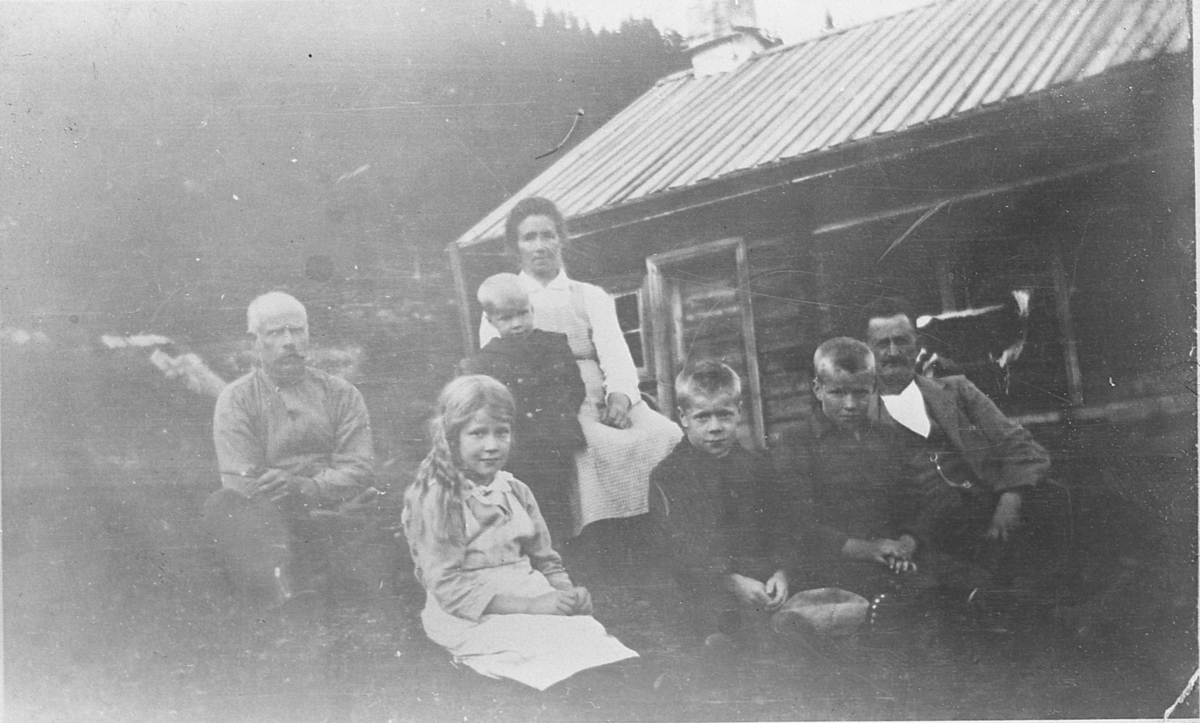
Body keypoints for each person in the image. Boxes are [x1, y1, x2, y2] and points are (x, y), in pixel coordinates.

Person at [401, 375, 637, 690]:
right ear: (451, 438)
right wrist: (530, 607)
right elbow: (447, 586)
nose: (492, 445)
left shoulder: (514, 489)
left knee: (587, 638)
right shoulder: (440, 498)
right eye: (477, 433)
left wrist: (565, 595)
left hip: (527, 591)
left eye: (502, 432)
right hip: (470, 609)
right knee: (546, 654)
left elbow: (545, 559)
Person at [479, 197, 681, 538]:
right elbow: (492, 366)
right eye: (529, 238)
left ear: (562, 239)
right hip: (549, 401)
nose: (540, 246)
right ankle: (601, 536)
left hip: (600, 390)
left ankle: (663, 526)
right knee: (591, 448)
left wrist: (619, 396)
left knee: (667, 435)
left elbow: (616, 354)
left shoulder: (589, 295)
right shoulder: (503, 299)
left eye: (548, 235)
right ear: (516, 247)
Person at [864, 296, 1066, 612]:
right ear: (868, 351)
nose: (892, 352)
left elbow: (1021, 445)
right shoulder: (861, 415)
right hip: (929, 534)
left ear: (916, 343)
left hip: (990, 510)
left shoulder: (956, 390)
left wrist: (1011, 497)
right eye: (882, 344)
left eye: (901, 341)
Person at [204, 291, 375, 608]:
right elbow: (243, 481)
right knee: (225, 504)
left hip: (339, 506)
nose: (289, 341)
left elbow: (359, 467)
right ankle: (277, 591)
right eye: (275, 333)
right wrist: (303, 494)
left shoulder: (342, 394)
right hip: (274, 518)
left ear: (309, 334)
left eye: (297, 330)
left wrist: (308, 487)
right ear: (255, 340)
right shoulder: (236, 399)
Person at [647, 362, 792, 649]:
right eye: (703, 417)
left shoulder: (759, 467)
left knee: (793, 625)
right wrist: (730, 580)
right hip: (708, 585)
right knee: (719, 628)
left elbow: (783, 525)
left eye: (724, 415)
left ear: (739, 411)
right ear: (683, 417)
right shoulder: (670, 475)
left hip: (763, 584)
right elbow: (680, 548)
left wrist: (782, 571)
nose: (715, 428)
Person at [775, 338, 919, 603]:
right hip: (832, 566)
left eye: (860, 392)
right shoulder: (795, 442)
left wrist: (905, 545)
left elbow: (913, 500)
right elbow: (797, 522)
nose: (850, 404)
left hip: (893, 559)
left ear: (874, 388)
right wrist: (867, 549)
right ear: (818, 389)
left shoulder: (889, 438)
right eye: (838, 393)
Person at [461, 273, 585, 542]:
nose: (517, 324)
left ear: (532, 309)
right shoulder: (485, 362)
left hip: (554, 440)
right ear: (491, 321)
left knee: (557, 504)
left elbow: (574, 387)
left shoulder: (554, 344)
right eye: (506, 318)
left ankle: (560, 557)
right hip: (518, 446)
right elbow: (488, 406)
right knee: (519, 501)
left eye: (522, 314)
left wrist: (560, 417)